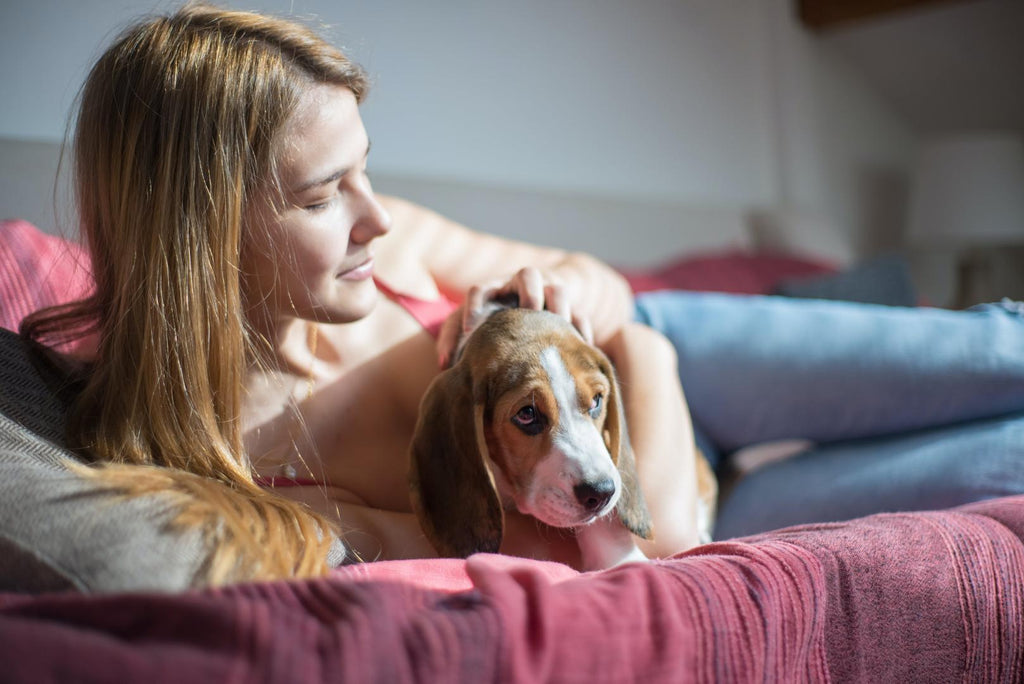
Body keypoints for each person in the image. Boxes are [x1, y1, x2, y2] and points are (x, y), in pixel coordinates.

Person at [22, 2, 702, 583]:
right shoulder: (237, 461)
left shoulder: (396, 247)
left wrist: (572, 294)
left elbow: (618, 299)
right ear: (205, 237)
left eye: (365, 170)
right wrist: (649, 361)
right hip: (642, 458)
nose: (375, 219)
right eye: (322, 198)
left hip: (665, 363)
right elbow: (594, 550)